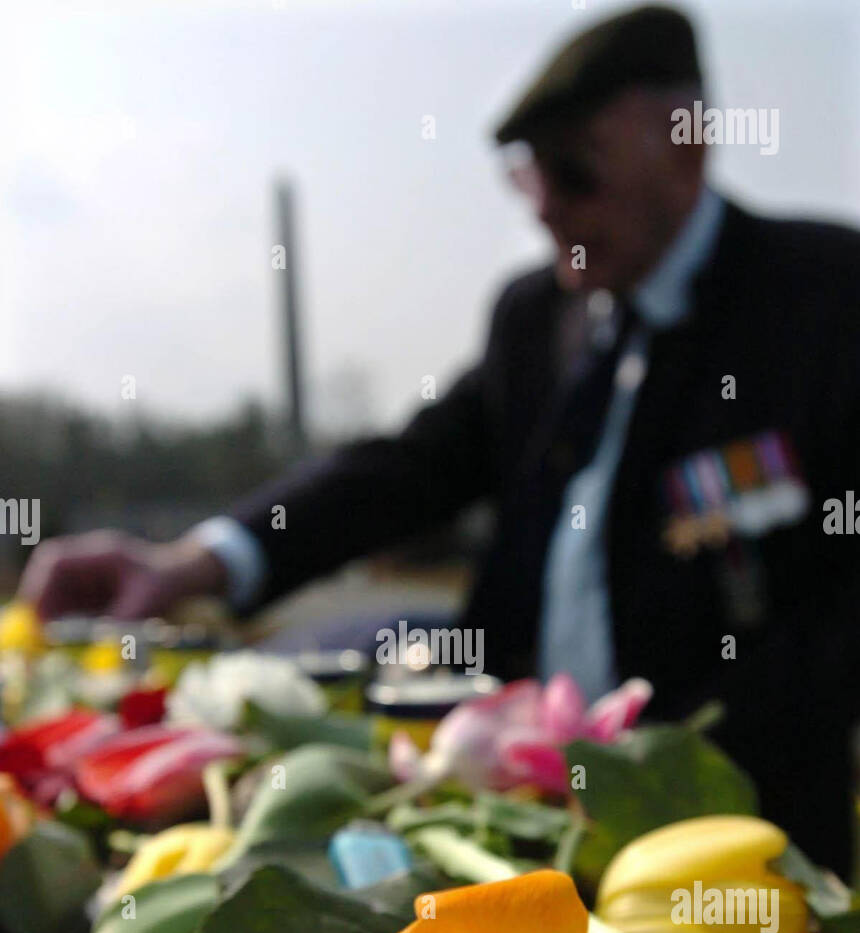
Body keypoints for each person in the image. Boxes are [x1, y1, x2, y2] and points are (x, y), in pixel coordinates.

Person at [18, 5, 860, 874]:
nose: (548, 210)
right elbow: (405, 469)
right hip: (525, 835)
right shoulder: (537, 319)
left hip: (748, 853)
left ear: (684, 147)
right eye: (529, 178)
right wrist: (194, 564)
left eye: (575, 173)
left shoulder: (825, 300)